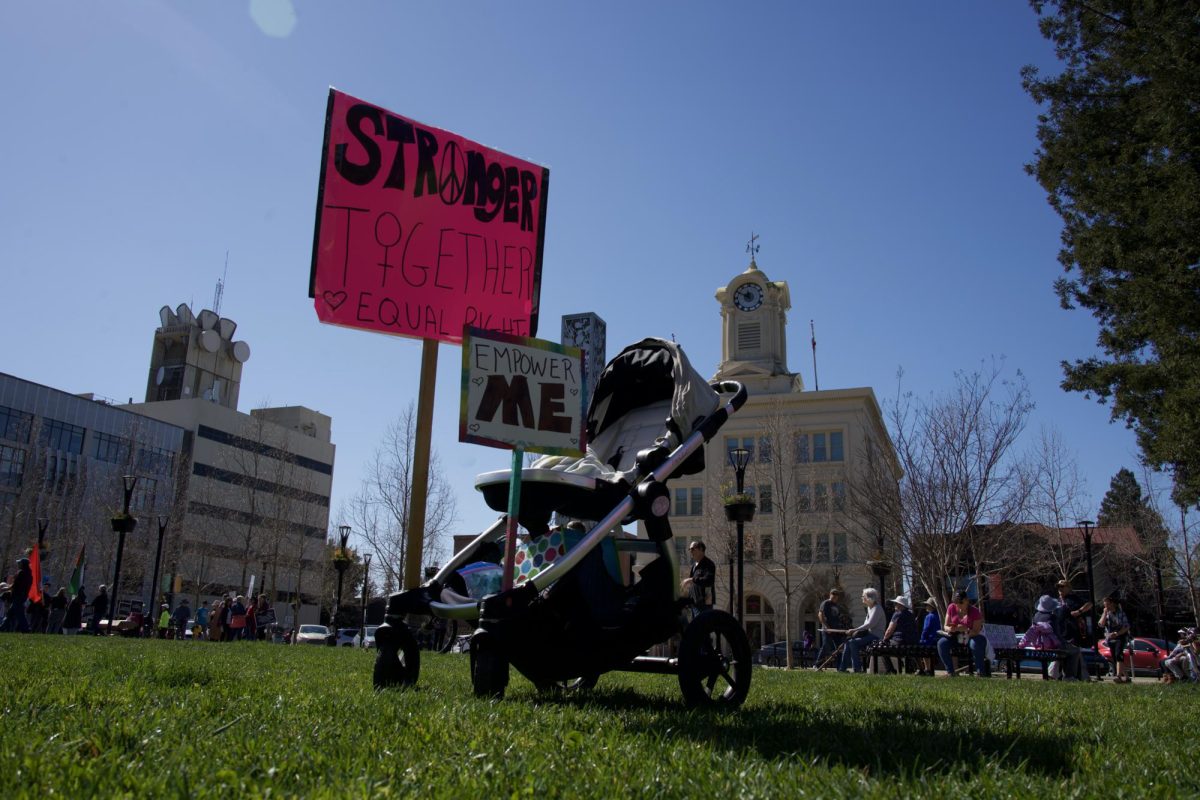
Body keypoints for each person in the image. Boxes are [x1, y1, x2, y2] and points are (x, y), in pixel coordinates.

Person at [1030, 594, 1084, 681]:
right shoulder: (1053, 617)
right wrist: (1065, 642)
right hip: (1052, 645)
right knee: (1074, 650)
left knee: (1064, 652)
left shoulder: (1036, 617)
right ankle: (1069, 676)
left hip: (1039, 645)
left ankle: (1053, 674)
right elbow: (1057, 635)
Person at [937, 590, 990, 677]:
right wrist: (950, 629)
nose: (959, 605)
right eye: (956, 603)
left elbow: (976, 631)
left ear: (966, 601)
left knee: (976, 643)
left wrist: (966, 629)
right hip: (955, 636)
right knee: (941, 643)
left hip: (971, 636)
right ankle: (950, 672)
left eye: (961, 603)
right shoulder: (951, 608)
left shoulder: (975, 612)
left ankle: (980, 672)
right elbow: (945, 626)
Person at [840, 587, 886, 673]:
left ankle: (857, 669)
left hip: (876, 637)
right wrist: (855, 632)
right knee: (848, 642)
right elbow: (865, 624)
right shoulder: (870, 608)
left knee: (853, 643)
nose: (862, 598)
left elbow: (869, 624)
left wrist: (854, 630)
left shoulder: (877, 608)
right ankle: (842, 668)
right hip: (869, 635)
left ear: (869, 598)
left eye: (863, 596)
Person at [1098, 595, 1131, 683]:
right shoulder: (1106, 614)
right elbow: (1101, 624)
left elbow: (1126, 626)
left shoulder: (1121, 613)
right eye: (1105, 605)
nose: (1106, 607)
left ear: (1113, 604)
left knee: (1118, 655)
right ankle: (1127, 677)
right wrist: (1104, 613)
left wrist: (1117, 633)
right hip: (1110, 638)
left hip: (1120, 637)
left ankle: (1118, 676)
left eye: (1108, 604)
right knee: (1115, 658)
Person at [680, 541, 715, 614]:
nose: (691, 552)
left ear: (701, 549)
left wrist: (692, 579)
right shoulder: (694, 565)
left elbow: (709, 580)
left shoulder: (709, 564)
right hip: (694, 605)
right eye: (690, 549)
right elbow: (693, 586)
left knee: (703, 624)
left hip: (704, 605)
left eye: (693, 549)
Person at [816, 588, 847, 668]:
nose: (835, 597)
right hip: (827, 629)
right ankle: (817, 664)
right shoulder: (825, 603)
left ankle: (839, 667)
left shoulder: (836, 606)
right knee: (826, 645)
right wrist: (826, 626)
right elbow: (820, 615)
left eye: (836, 596)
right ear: (830, 595)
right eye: (833, 595)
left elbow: (838, 617)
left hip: (836, 630)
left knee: (839, 647)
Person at [1, 557, 33, 633]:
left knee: (20, 613)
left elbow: (14, 586)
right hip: (23, 596)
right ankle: (2, 628)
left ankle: (26, 629)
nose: (18, 564)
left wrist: (4, 589)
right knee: (10, 614)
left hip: (18, 596)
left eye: (20, 563)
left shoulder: (21, 573)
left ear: (23, 564)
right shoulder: (29, 575)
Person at [918, 597, 940, 676]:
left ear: (931, 606)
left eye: (927, 605)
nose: (926, 607)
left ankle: (926, 668)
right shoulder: (939, 615)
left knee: (921, 646)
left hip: (930, 640)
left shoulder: (929, 617)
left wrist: (922, 639)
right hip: (938, 639)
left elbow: (925, 630)